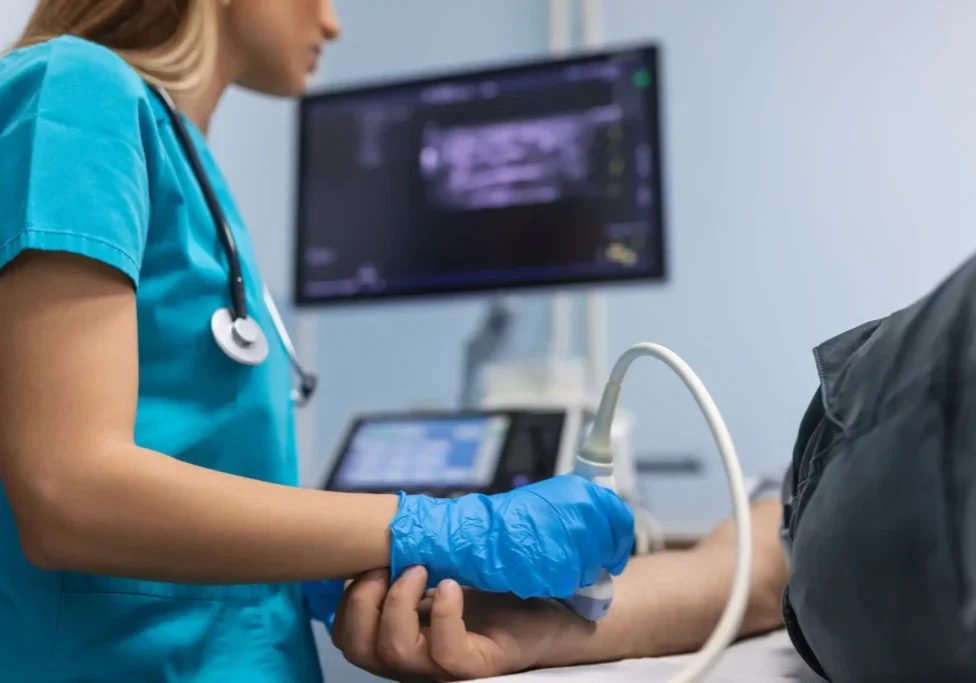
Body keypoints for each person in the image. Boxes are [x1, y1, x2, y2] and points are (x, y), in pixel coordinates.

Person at [0, 2, 634, 682]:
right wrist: (433, 528)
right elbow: (69, 493)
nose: (332, 23)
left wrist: (312, 566)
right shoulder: (76, 87)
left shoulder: (187, 161)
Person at [328, 482, 792, 680]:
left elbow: (771, 575)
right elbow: (755, 568)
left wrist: (541, 624)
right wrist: (544, 626)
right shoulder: (840, 419)